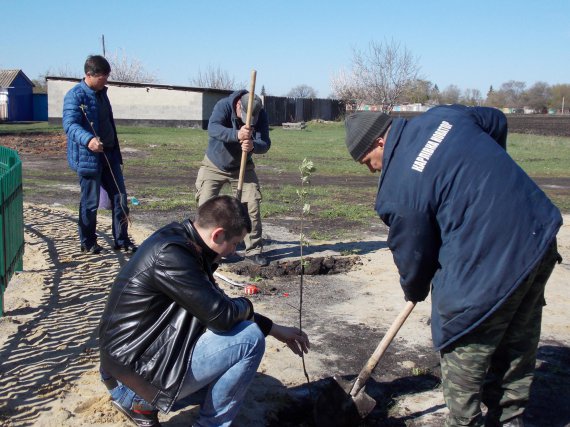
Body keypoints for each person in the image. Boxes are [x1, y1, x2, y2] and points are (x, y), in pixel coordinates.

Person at [344, 106, 563, 427]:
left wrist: (415, 289)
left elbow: (413, 256)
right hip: (536, 237)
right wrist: (486, 181)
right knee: (517, 342)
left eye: (367, 163)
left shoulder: (397, 189)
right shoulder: (444, 117)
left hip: (491, 266)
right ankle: (509, 418)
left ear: (378, 143)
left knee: (461, 348)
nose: (372, 171)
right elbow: (496, 121)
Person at [98, 195, 310, 427]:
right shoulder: (173, 255)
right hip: (131, 375)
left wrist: (274, 328)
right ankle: (149, 406)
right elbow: (223, 316)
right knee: (249, 339)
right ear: (217, 234)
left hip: (129, 363)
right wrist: (248, 306)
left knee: (236, 363)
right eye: (235, 243)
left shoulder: (183, 241)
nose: (234, 251)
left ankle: (144, 401)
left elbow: (216, 305)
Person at [63, 54, 137, 255]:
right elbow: (69, 125)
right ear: (89, 74)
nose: (106, 81)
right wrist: (89, 140)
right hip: (88, 158)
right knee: (90, 203)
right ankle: (87, 242)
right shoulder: (75, 96)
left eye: (107, 77)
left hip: (110, 155)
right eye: (102, 77)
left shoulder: (103, 93)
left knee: (120, 198)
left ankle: (121, 240)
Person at [195, 90, 270, 266]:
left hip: (243, 167)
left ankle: (254, 250)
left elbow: (265, 142)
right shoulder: (223, 105)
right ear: (238, 106)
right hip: (214, 164)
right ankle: (204, 250)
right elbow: (213, 128)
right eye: (244, 116)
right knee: (205, 204)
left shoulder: (261, 112)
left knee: (252, 204)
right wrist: (236, 135)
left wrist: (253, 146)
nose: (247, 121)